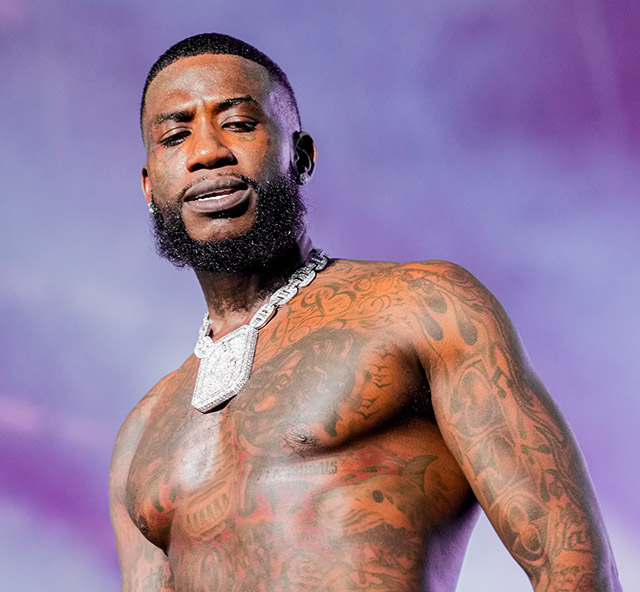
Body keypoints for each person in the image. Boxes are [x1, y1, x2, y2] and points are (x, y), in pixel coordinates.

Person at [108, 33, 622, 592]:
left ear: (299, 156)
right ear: (149, 186)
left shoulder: (421, 307)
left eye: (238, 123)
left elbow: (573, 569)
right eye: (176, 135)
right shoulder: (142, 431)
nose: (206, 151)